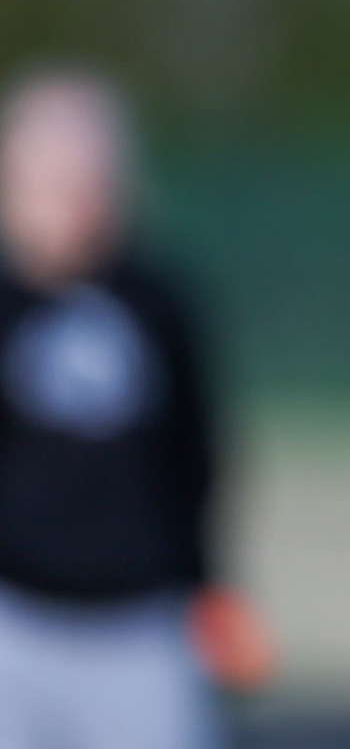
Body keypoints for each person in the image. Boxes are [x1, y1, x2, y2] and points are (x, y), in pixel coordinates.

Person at [0, 67, 271, 749]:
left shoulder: (160, 300)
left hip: (142, 624)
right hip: (18, 619)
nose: (78, 200)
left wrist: (209, 587)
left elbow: (199, 451)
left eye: (91, 177)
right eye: (55, 178)